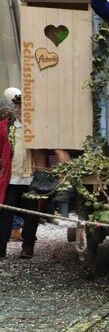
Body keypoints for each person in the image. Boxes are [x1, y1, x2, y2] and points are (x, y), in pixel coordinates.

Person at [0, 90, 40, 259]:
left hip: (32, 178)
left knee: (32, 215)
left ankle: (28, 247)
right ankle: (1, 248)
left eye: (24, 107)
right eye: (18, 106)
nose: (20, 110)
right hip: (11, 178)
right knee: (5, 213)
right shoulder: (5, 126)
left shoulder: (39, 126)